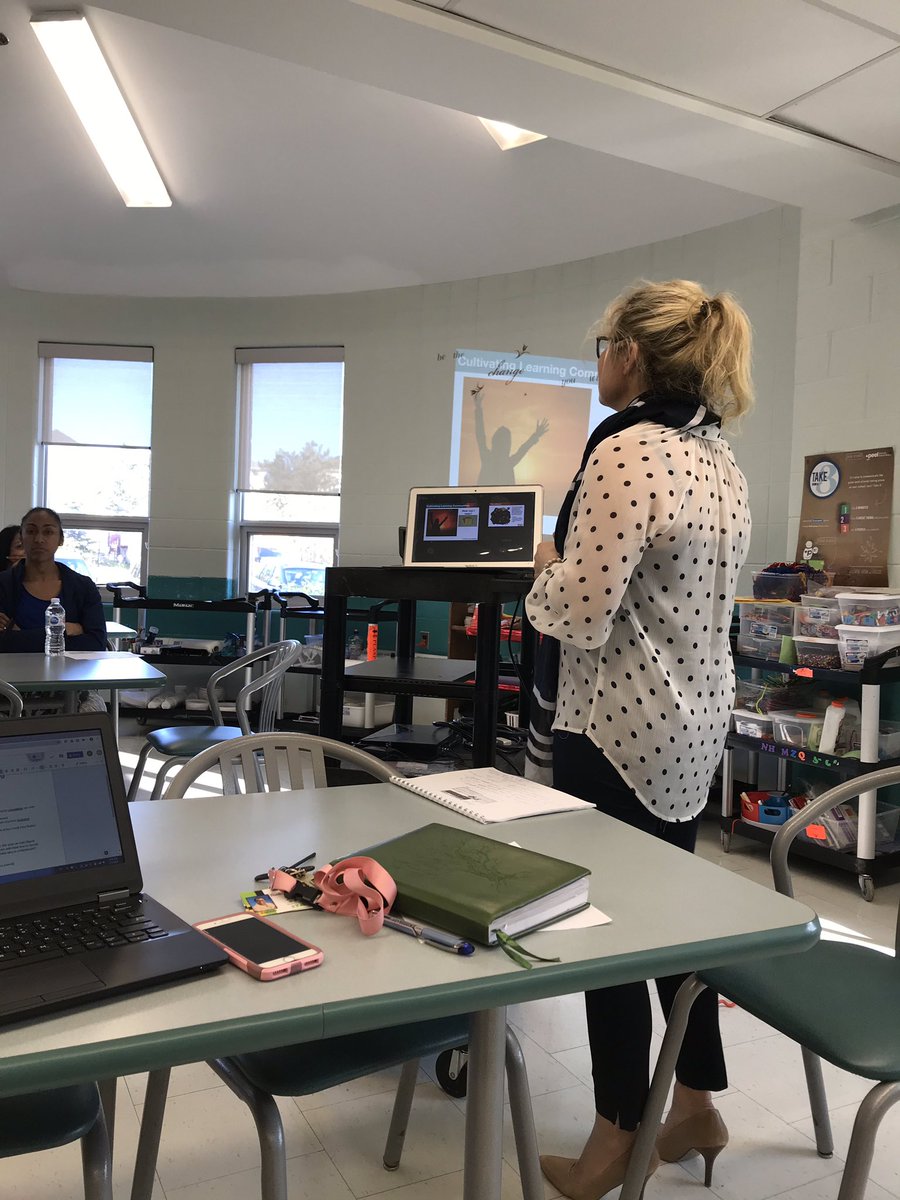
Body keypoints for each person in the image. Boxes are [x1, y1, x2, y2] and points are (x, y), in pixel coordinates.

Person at [525, 280, 753, 1200]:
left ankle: (616, 1134)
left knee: (604, 935)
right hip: (695, 731)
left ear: (633, 351)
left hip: (615, 728)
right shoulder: (720, 459)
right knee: (671, 922)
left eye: (602, 342)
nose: (598, 359)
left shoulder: (625, 453)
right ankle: (695, 1104)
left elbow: (580, 615)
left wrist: (540, 570)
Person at [0, 507, 106, 652]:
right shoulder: (4, 585)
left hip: (69, 674)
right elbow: (3, 644)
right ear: (21, 537)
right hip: (12, 673)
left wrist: (21, 635)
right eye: (31, 531)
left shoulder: (83, 587)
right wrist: (64, 630)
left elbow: (96, 643)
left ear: (60, 539)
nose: (39, 539)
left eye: (48, 532)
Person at [474, 386, 549, 484]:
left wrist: (478, 408)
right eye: (506, 442)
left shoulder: (488, 458)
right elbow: (523, 448)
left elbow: (480, 435)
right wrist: (536, 435)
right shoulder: (506, 463)